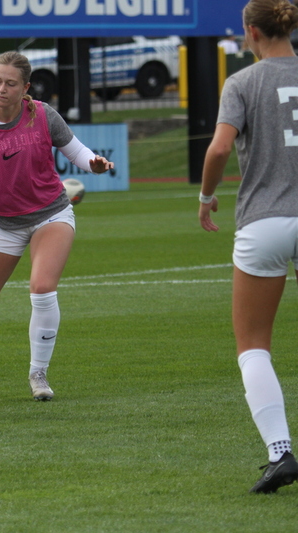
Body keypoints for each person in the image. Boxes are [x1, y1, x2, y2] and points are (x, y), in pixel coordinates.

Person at [0, 51, 114, 402]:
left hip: (51, 214)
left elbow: (76, 152)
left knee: (42, 287)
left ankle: (38, 376)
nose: (1, 88)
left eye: (10, 83)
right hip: (1, 224)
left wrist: (93, 163)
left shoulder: (43, 115)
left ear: (25, 88)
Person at [199, 0, 298, 494]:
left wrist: (205, 197)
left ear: (252, 32)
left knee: (253, 345)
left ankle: (280, 452)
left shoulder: (241, 82)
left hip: (265, 221)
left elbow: (219, 148)